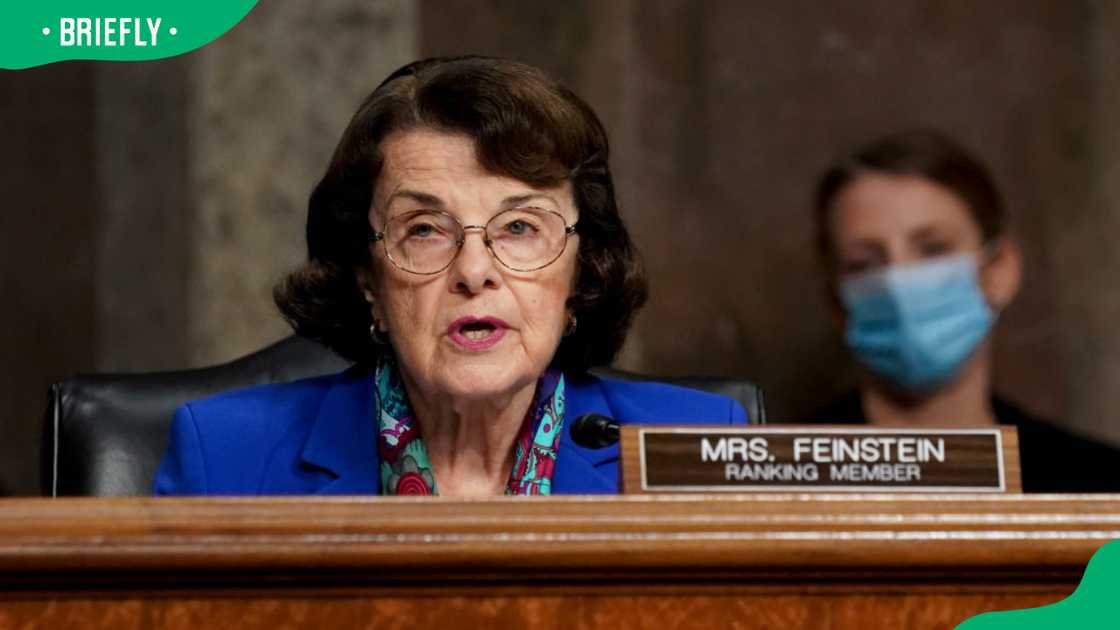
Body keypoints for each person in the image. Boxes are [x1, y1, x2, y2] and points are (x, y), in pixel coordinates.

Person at [154, 56, 749, 497]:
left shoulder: (697, 441)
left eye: (519, 227)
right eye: (424, 230)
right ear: (368, 281)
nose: (474, 271)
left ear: (582, 272)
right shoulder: (225, 458)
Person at [809, 128, 1120, 492]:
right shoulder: (784, 478)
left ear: (999, 270)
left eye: (933, 249)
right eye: (864, 264)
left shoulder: (1098, 482)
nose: (898, 281)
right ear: (837, 301)